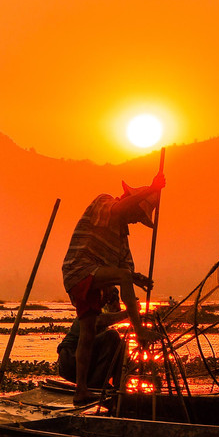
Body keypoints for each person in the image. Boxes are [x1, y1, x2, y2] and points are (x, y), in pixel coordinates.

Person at [61, 168, 165, 405]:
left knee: (88, 334)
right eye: (137, 214)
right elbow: (122, 274)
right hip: (78, 268)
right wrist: (152, 188)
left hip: (94, 278)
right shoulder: (104, 202)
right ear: (130, 203)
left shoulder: (121, 237)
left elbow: (125, 270)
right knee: (122, 281)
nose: (136, 220)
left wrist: (138, 278)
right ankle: (140, 331)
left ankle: (82, 391)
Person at [56, 285, 128, 391]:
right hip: (70, 359)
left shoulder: (101, 312)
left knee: (121, 345)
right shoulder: (92, 312)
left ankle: (118, 388)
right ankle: (96, 385)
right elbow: (98, 321)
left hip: (84, 361)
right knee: (112, 335)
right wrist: (127, 313)